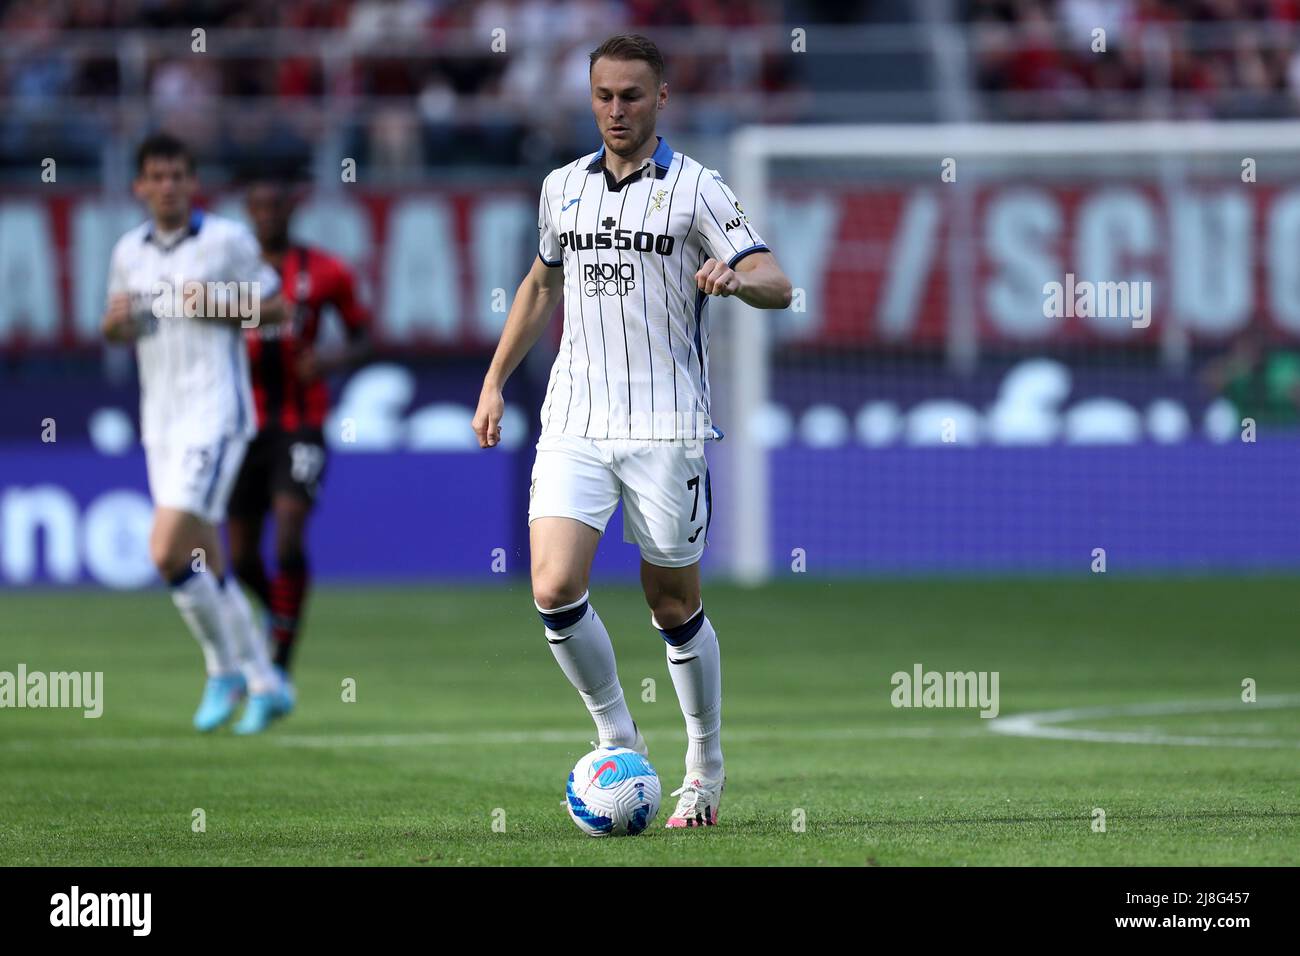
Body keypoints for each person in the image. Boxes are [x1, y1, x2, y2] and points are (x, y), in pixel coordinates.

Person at [472, 34, 792, 828]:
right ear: (591, 98)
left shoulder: (698, 190)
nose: (617, 111)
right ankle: (617, 734)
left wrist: (736, 278)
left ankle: (705, 768)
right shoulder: (561, 189)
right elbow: (542, 283)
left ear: (661, 99)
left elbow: (777, 282)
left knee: (671, 600)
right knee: (552, 586)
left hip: (666, 423)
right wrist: (493, 380)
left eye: (633, 97)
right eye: (605, 96)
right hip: (576, 418)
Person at [102, 133, 288, 733]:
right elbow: (116, 330)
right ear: (139, 186)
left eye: (177, 175)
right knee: (207, 560)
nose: (167, 186)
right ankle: (266, 680)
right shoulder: (129, 251)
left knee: (165, 551)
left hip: (217, 415)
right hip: (161, 421)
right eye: (156, 176)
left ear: (192, 182)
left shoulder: (227, 241)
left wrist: (222, 302)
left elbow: (281, 308)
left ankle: (222, 669)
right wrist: (115, 325)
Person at [225, 176, 372, 733]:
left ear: (290, 207)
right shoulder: (227, 274)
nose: (265, 213)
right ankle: (278, 620)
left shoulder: (327, 271)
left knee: (288, 535)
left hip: (301, 425)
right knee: (239, 560)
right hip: (239, 428)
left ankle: (277, 670)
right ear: (247, 209)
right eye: (256, 204)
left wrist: (331, 362)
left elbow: (365, 336)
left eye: (274, 202)